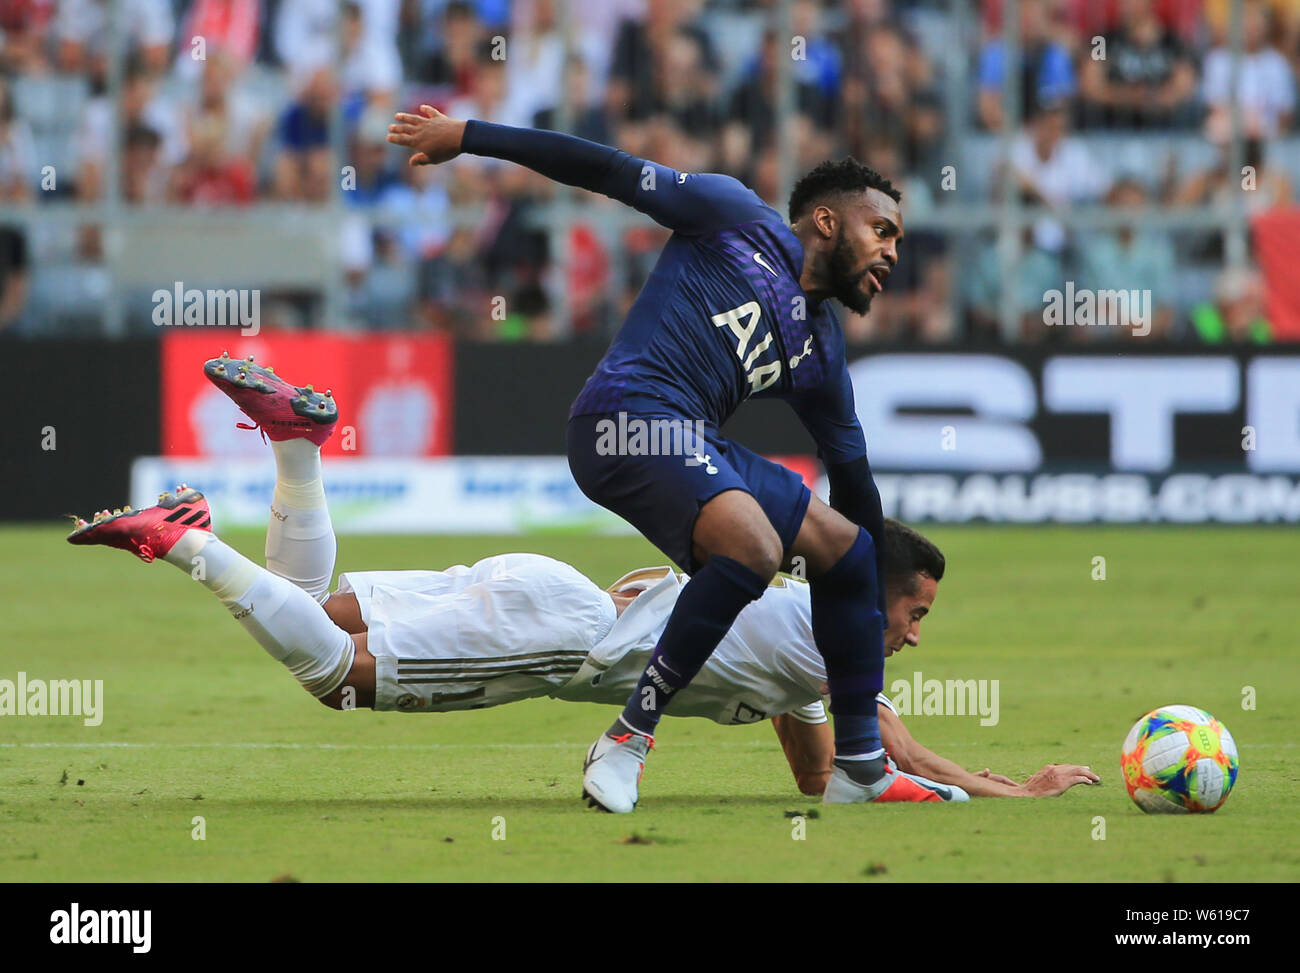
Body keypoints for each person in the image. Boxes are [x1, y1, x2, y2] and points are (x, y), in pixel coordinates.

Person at [66, 357, 1099, 804]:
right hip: (557, 638)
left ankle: (296, 449)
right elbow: (890, 750)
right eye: (912, 612)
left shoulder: (790, 639)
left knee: (322, 599)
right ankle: (190, 540)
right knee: (335, 675)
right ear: (873, 598)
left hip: (540, 584)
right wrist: (1016, 789)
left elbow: (816, 770)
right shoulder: (833, 636)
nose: (912, 635)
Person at [387, 104, 914, 813]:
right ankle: (627, 738)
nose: (892, 253)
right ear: (826, 220)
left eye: (898, 241)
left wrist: (870, 606)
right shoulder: (734, 215)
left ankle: (860, 769)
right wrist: (470, 137)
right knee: (754, 546)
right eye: (882, 231)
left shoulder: (821, 349)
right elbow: (604, 168)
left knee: (847, 551)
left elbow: (854, 479)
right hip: (620, 420)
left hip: (691, 438)